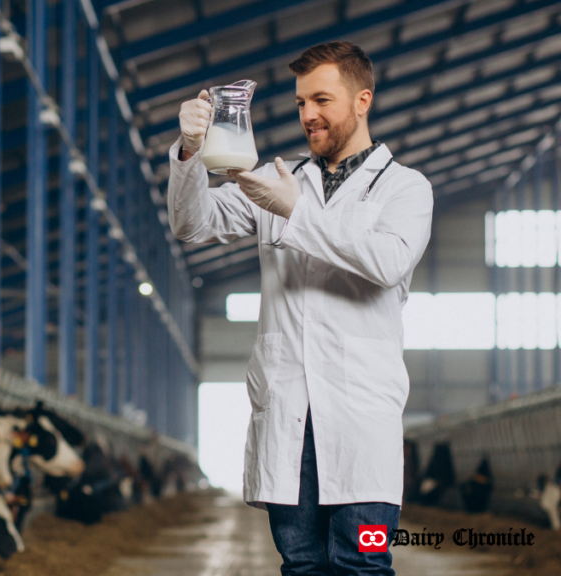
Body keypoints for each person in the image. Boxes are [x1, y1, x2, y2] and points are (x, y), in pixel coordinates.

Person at [168, 41, 433, 575]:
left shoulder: (405, 188)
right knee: (302, 565)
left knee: (363, 563)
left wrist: (296, 212)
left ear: (363, 100)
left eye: (321, 99)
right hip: (291, 418)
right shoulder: (274, 180)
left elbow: (386, 263)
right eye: (299, 103)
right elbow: (191, 223)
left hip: (361, 420)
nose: (308, 114)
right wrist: (192, 148)